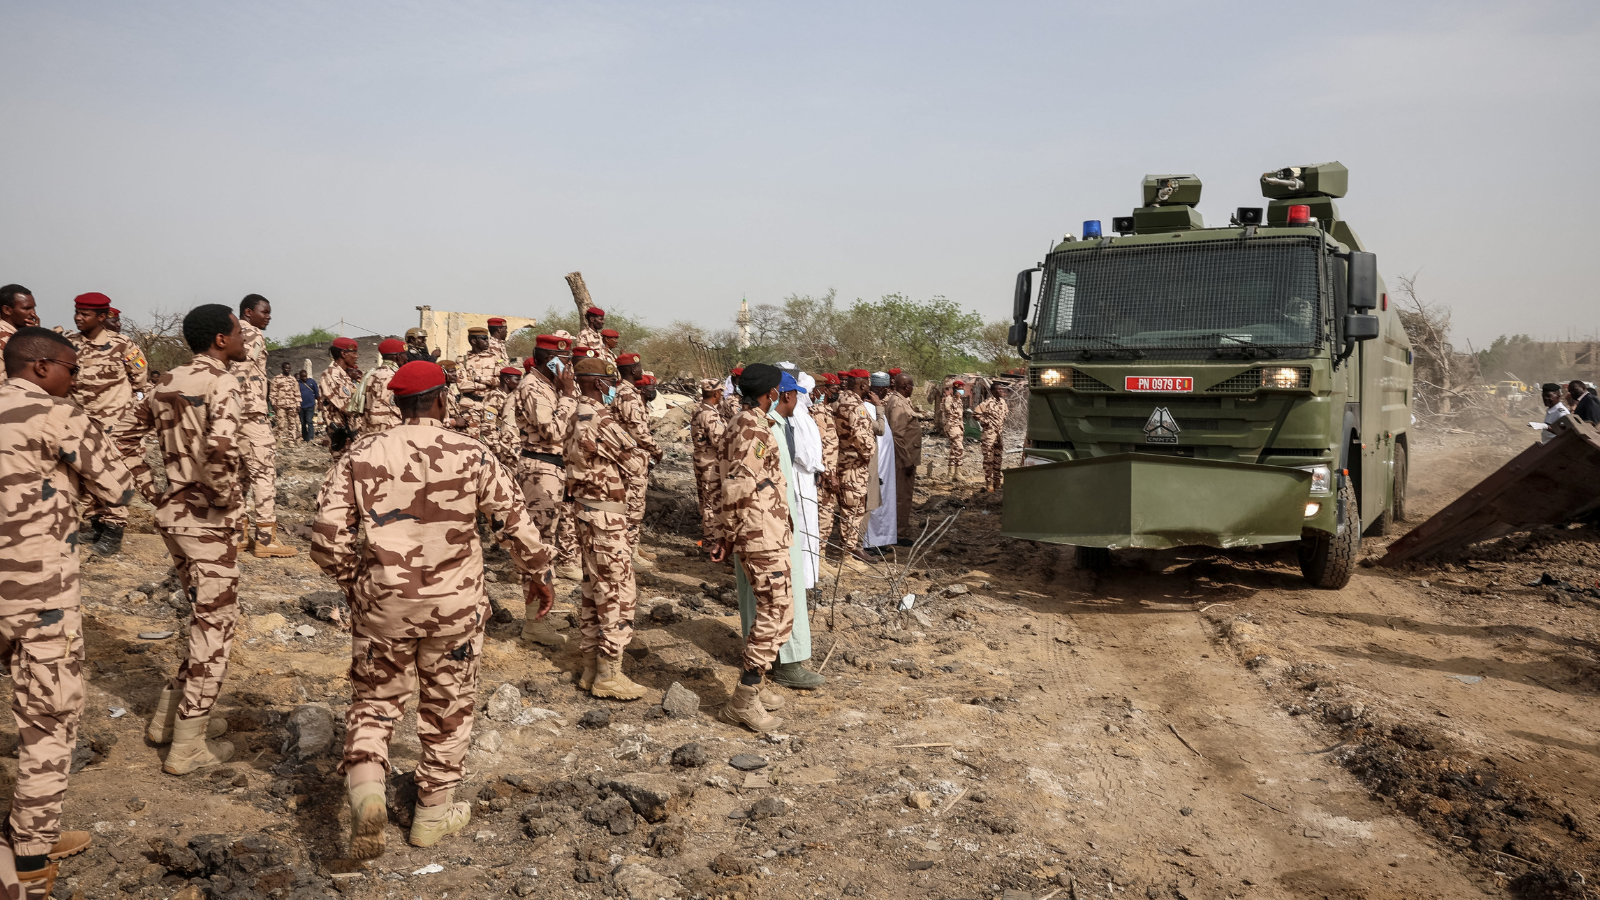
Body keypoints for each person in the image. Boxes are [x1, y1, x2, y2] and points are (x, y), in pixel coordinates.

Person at [311, 361, 554, 859]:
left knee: (374, 705)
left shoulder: (360, 453)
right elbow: (515, 524)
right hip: (456, 607)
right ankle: (430, 817)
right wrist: (539, 574)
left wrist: (357, 585)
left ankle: (368, 797)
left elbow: (326, 538)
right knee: (448, 708)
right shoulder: (473, 453)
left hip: (385, 605)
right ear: (441, 400)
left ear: (398, 403)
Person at [0, 327, 137, 891]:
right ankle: (30, 857)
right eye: (70, 370)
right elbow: (118, 486)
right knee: (48, 719)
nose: (75, 380)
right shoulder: (57, 414)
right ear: (40, 368)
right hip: (39, 594)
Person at [117, 304, 248, 776]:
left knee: (200, 617)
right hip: (207, 521)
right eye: (236, 332)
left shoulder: (166, 381)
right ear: (219, 339)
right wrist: (223, 499)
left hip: (174, 515)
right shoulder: (223, 382)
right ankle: (188, 744)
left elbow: (124, 438)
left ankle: (169, 721)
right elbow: (220, 447)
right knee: (216, 629)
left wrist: (154, 491)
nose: (242, 338)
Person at [710, 364, 797, 731]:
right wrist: (729, 534)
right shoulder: (752, 427)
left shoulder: (745, 421)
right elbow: (738, 485)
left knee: (782, 609)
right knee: (774, 609)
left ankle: (756, 686)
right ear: (771, 393)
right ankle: (743, 701)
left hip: (767, 529)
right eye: (778, 389)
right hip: (759, 532)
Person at [564, 356, 651, 701]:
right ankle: (609, 674)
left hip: (585, 513)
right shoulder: (601, 419)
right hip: (606, 518)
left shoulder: (573, 414)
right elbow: (636, 461)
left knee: (592, 590)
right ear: (601, 384)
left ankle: (590, 667)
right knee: (618, 593)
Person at [753, 371, 826, 691]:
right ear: (783, 395)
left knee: (768, 597)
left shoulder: (773, 425)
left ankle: (761, 663)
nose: (798, 399)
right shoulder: (765, 429)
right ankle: (787, 663)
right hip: (771, 528)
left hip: (772, 524)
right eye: (795, 394)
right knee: (783, 596)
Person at [67, 292, 149, 557]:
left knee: (115, 476)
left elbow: (140, 378)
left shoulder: (123, 345)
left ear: (102, 317)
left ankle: (113, 533)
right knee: (86, 475)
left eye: (85, 314)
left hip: (116, 425)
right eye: (77, 312)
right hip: (80, 423)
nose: (79, 318)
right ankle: (95, 524)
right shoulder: (68, 345)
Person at [514, 336, 583, 597]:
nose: (569, 366)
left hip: (553, 468)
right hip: (539, 469)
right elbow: (553, 431)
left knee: (547, 538)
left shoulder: (550, 386)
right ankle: (533, 618)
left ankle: (539, 610)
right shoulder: (532, 387)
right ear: (548, 360)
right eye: (564, 360)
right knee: (538, 542)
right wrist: (567, 394)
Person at [230, 295, 296, 558]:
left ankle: (238, 535)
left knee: (239, 477)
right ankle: (266, 539)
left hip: (234, 416)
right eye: (264, 311)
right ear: (249, 312)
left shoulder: (231, 334)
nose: (268, 316)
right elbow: (242, 370)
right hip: (252, 415)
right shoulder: (253, 334)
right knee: (263, 475)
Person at [613, 353, 662, 565]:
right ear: (633, 370)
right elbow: (638, 432)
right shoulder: (628, 395)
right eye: (639, 366)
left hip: (635, 457)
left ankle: (633, 547)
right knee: (632, 505)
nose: (641, 369)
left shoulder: (628, 393)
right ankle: (629, 553)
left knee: (636, 505)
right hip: (630, 458)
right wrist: (657, 450)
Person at [833, 369, 877, 566]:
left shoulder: (840, 400)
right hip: (853, 464)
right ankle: (847, 555)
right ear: (863, 385)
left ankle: (851, 551)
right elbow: (860, 436)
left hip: (847, 462)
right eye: (867, 383)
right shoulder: (854, 405)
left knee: (854, 508)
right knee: (852, 509)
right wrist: (870, 454)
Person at [885, 371, 922, 545]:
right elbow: (897, 435)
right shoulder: (898, 403)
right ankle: (898, 534)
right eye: (912, 385)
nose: (913, 388)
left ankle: (898, 531)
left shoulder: (902, 401)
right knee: (902, 496)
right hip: (903, 459)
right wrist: (907, 461)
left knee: (902, 496)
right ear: (906, 386)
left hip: (906, 457)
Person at [691, 378, 727, 554]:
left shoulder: (701, 410)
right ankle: (710, 543)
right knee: (711, 503)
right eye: (720, 392)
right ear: (715, 393)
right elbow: (719, 441)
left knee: (705, 502)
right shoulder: (709, 414)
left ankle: (707, 540)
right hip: (710, 464)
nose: (721, 395)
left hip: (702, 461)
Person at [863, 373, 898, 551]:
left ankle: (882, 540)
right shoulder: (867, 408)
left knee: (885, 500)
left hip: (885, 465)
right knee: (873, 503)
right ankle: (870, 542)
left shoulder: (877, 407)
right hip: (876, 465)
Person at [351, 339, 407, 435]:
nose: (407, 358)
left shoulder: (372, 374)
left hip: (370, 430)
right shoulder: (391, 377)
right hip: (388, 431)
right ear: (398, 357)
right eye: (405, 355)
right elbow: (390, 410)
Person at [810, 374, 841, 551]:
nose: (837, 393)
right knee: (824, 513)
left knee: (826, 513)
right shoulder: (819, 412)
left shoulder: (826, 410)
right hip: (824, 474)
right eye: (834, 389)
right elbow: (820, 447)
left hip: (828, 470)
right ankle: (819, 555)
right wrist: (828, 474)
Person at [319, 337, 362, 459]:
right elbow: (347, 406)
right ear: (343, 354)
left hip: (350, 431)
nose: (356, 356)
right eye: (354, 353)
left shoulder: (344, 376)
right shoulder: (331, 375)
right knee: (343, 471)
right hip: (341, 432)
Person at [456, 327, 500, 440]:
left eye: (487, 339)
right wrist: (485, 384)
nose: (487, 342)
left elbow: (499, 380)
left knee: (491, 440)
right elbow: (461, 385)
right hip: (470, 406)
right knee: (471, 440)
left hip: (490, 406)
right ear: (474, 341)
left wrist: (479, 379)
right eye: (484, 339)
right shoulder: (462, 360)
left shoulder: (495, 358)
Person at [974, 383, 1010, 492]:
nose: (1001, 391)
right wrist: (987, 423)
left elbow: (1005, 414)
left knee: (998, 459)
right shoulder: (987, 403)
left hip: (999, 435)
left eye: (1002, 389)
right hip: (989, 435)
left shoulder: (1003, 403)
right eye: (998, 389)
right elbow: (975, 414)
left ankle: (997, 483)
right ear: (993, 391)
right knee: (989, 459)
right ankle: (989, 484)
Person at [0, 285, 40, 365]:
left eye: (33, 308)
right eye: (26, 308)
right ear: (7, 310)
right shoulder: (6, 339)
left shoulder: (18, 335)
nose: (33, 313)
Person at [939, 380, 967, 482]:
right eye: (960, 389)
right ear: (955, 389)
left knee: (954, 451)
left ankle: (950, 474)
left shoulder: (959, 401)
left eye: (963, 389)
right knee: (959, 449)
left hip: (959, 427)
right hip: (951, 427)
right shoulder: (949, 399)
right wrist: (956, 399)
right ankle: (958, 472)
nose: (962, 391)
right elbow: (948, 413)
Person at [269, 362, 301, 447]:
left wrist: (298, 404)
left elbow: (297, 392)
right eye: (286, 368)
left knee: (292, 423)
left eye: (289, 368)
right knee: (280, 424)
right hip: (280, 405)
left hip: (292, 405)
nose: (288, 370)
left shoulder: (293, 379)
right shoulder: (276, 379)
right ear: (282, 368)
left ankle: (291, 441)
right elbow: (273, 392)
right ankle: (280, 441)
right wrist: (273, 404)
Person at [296, 370, 318, 442]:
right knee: (303, 423)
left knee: (309, 421)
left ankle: (311, 437)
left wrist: (318, 403)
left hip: (310, 405)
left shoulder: (312, 382)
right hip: (301, 406)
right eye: (303, 377)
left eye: (305, 376)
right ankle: (305, 437)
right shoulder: (297, 383)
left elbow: (317, 393)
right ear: (300, 376)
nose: (304, 378)